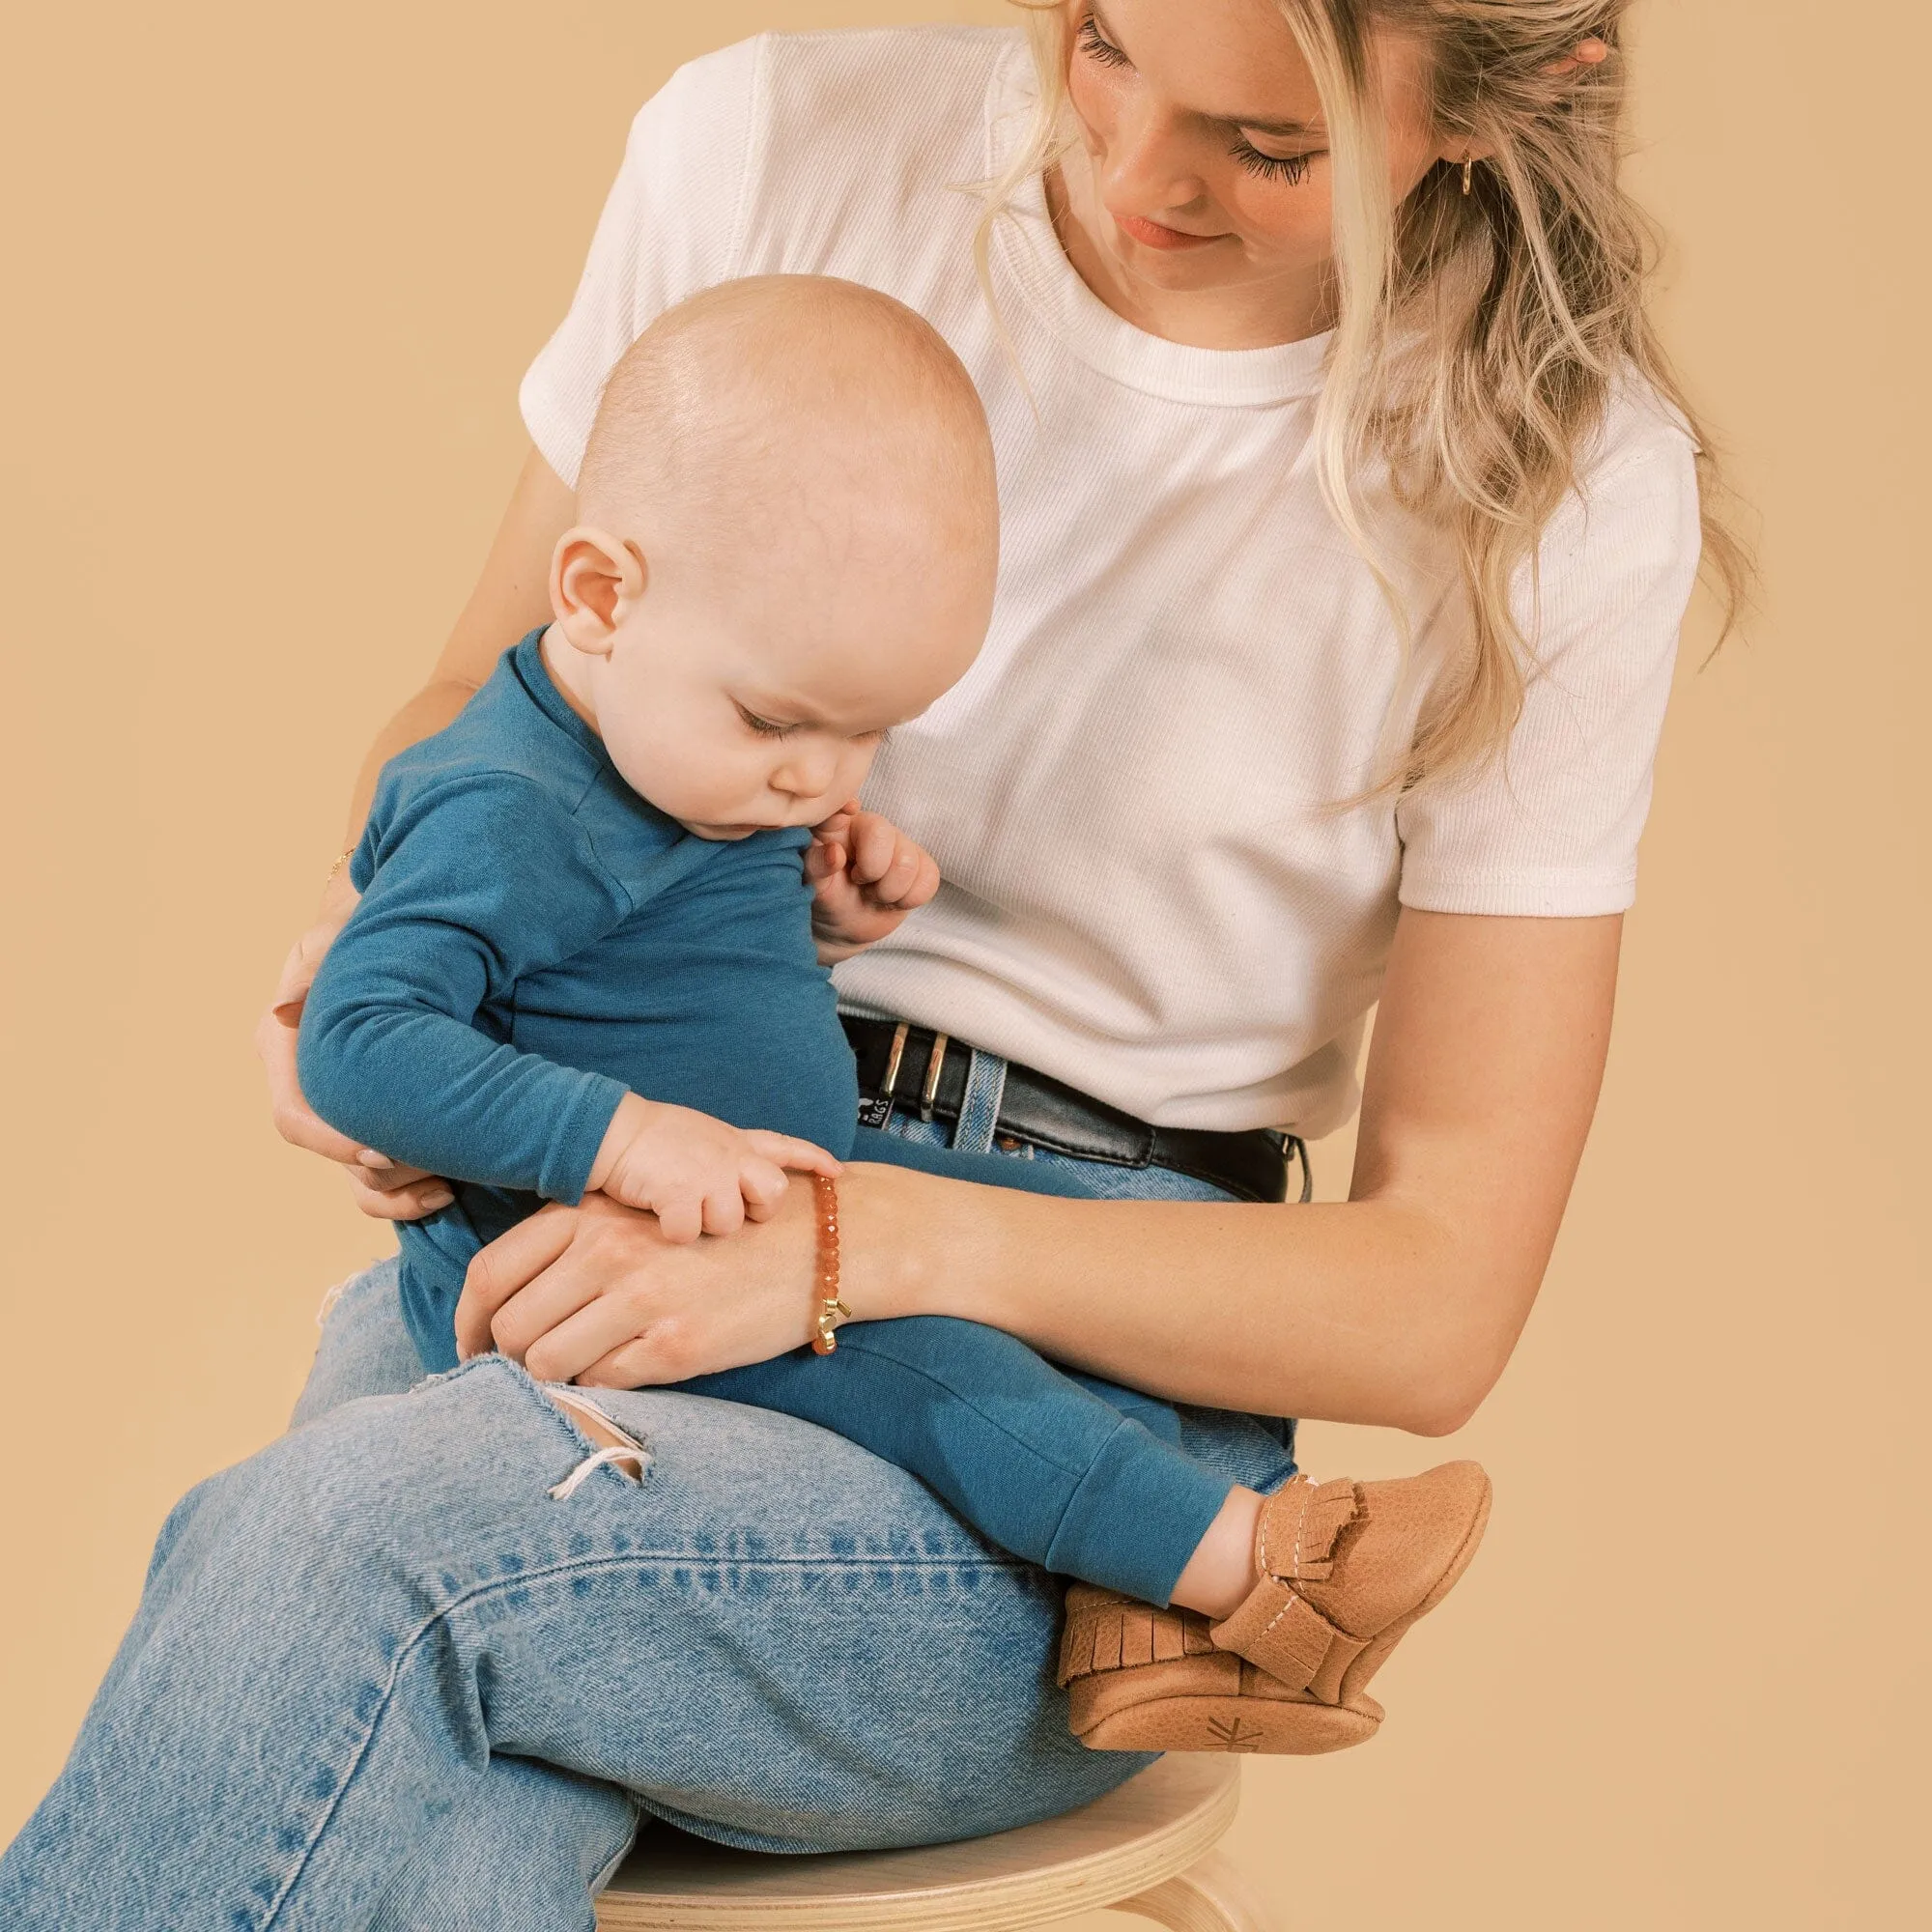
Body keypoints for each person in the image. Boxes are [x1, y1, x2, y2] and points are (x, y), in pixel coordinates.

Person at [0, 4, 1740, 1924]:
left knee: (360, 1557)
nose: (1137, 169)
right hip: (618, 1183)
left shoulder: (1565, 483)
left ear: (1509, 106)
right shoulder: (772, 146)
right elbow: (490, 703)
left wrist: (856, 1242)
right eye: (1095, 41)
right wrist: (384, 944)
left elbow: (1434, 1303)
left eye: (1268, 147)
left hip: (1057, 1413)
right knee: (376, 1684)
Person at [299, 270, 1492, 1762]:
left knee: (1073, 1257)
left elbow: (631, 976)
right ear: (598, 596)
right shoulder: (506, 807)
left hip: (789, 1180)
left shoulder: (681, 747)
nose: (821, 775)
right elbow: (360, 1039)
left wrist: (820, 926)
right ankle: (1263, 1588)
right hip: (600, 1274)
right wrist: (623, 1139)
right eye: (781, 723)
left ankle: (1146, 1623)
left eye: (869, 732)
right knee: (950, 1375)